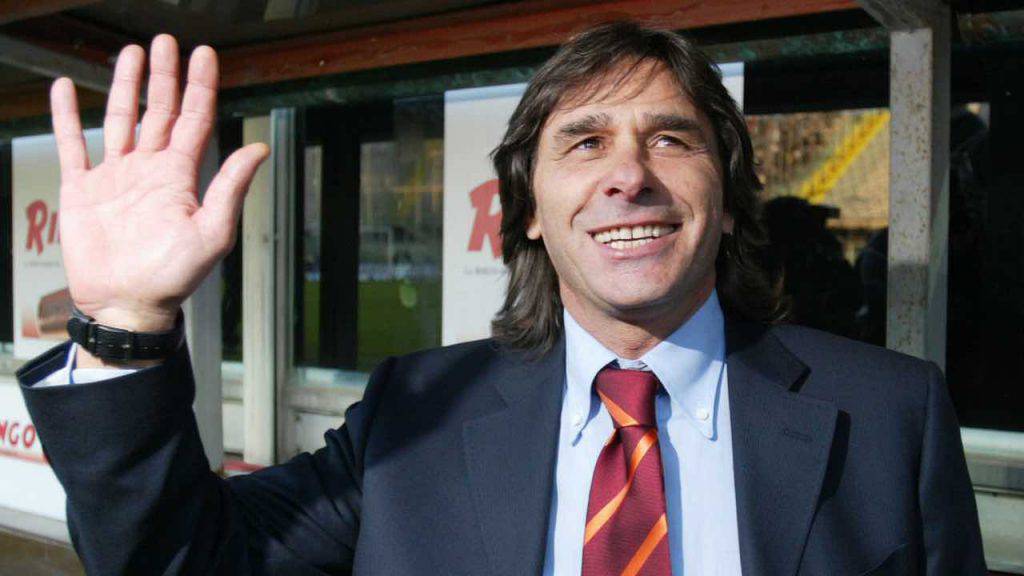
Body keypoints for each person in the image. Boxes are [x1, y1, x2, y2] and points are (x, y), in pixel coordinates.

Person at [16, 22, 985, 575]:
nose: (629, 176)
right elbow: (175, 560)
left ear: (728, 201)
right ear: (526, 214)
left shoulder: (891, 416)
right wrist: (126, 327)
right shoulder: (414, 417)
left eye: (670, 139)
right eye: (585, 143)